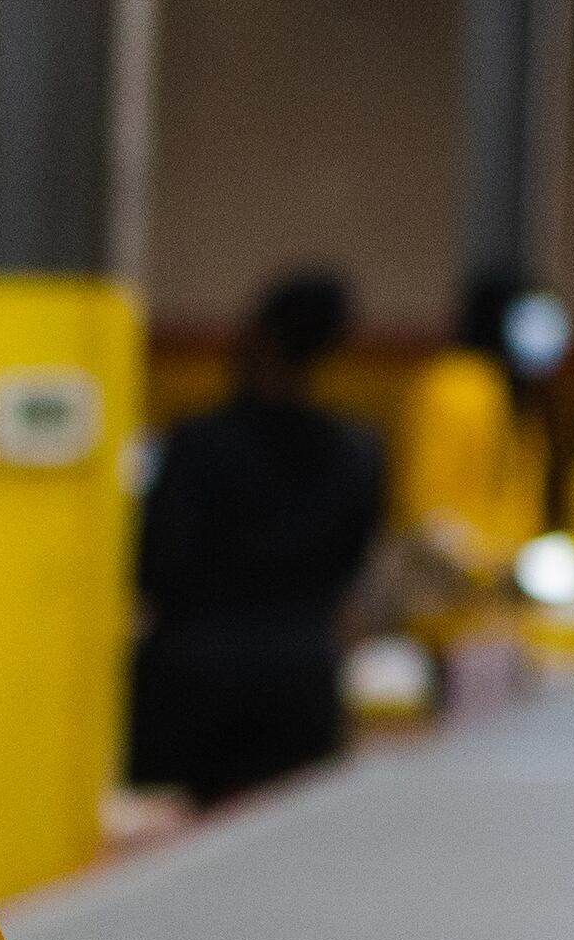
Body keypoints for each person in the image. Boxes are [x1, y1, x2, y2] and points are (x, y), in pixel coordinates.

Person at [130, 270, 388, 804]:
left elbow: (157, 564)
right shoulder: (354, 453)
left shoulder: (196, 444)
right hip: (302, 677)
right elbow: (353, 564)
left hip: (194, 680)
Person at [393, 270, 558, 583]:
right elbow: (429, 507)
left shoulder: (520, 401)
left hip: (505, 590)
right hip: (450, 592)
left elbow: (526, 502)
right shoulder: (455, 385)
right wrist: (480, 565)